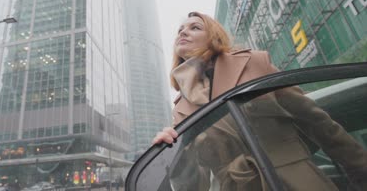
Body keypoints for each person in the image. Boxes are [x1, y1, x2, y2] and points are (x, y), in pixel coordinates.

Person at [153, 12, 367, 190]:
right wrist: (173, 155)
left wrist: (360, 169)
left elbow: (317, 123)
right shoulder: (180, 109)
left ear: (213, 36)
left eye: (195, 27)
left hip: (297, 181)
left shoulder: (252, 63)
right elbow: (194, 186)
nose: (183, 32)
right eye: (180, 29)